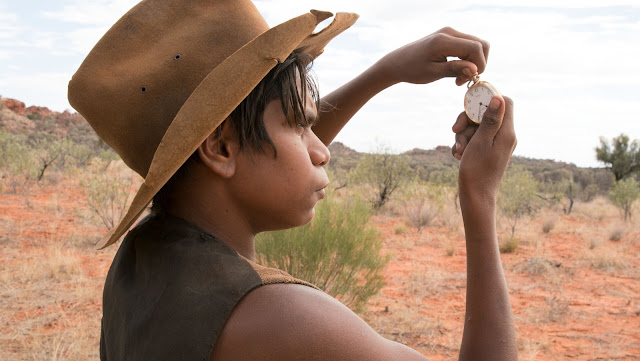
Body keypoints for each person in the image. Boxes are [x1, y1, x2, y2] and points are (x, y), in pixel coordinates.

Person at [68, 0, 517, 360]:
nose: (321, 150)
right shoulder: (284, 320)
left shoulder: (141, 260)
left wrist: (386, 73)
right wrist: (479, 199)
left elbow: (258, 149)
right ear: (220, 148)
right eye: (300, 126)